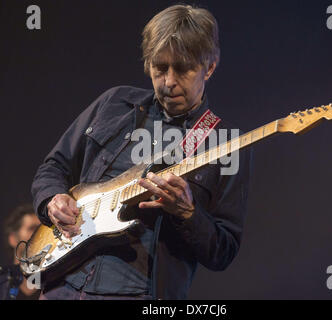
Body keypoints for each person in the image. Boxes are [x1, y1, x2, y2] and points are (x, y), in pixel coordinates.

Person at [31, 4, 252, 300]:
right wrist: (52, 201)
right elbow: (53, 167)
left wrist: (187, 213)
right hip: (61, 287)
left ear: (209, 67)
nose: (169, 81)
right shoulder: (114, 103)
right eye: (160, 68)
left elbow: (222, 252)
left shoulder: (224, 141)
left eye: (184, 68)